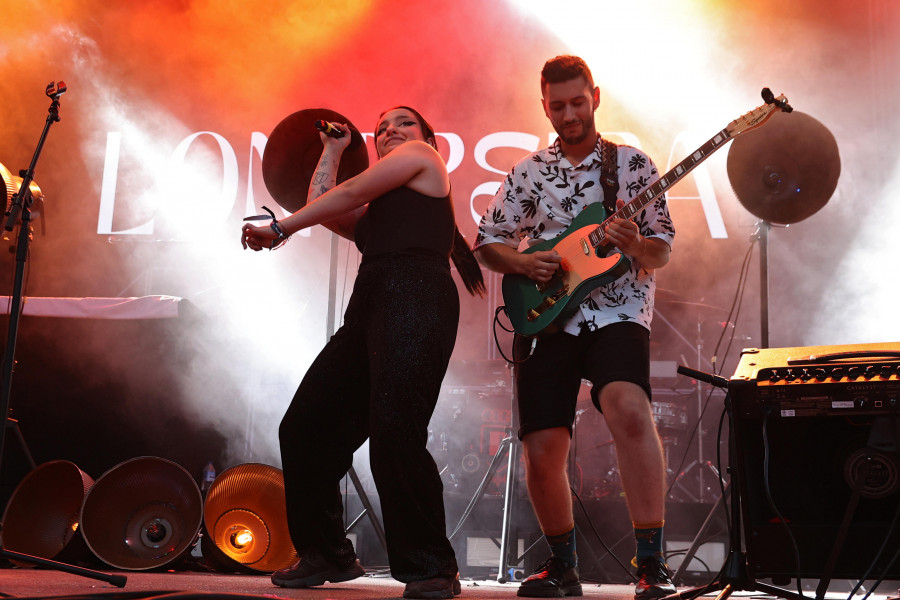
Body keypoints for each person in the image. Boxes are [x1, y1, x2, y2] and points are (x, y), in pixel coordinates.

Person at [241, 106, 484, 599]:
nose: (389, 130)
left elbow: (348, 192)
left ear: (427, 139)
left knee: (395, 430)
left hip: (417, 295)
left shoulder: (424, 159)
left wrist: (282, 229)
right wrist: (333, 149)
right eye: (380, 129)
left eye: (402, 122)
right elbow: (330, 201)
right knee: (306, 426)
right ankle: (327, 552)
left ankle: (432, 566)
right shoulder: (378, 212)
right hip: (371, 304)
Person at [473, 56, 677, 599]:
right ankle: (562, 566)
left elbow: (660, 250)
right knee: (542, 444)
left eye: (577, 102)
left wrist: (635, 245)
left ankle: (651, 564)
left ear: (595, 97)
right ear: (545, 105)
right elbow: (487, 242)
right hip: (546, 318)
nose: (569, 113)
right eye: (557, 105)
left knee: (628, 409)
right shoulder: (528, 172)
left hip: (617, 311)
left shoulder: (632, 166)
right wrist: (522, 264)